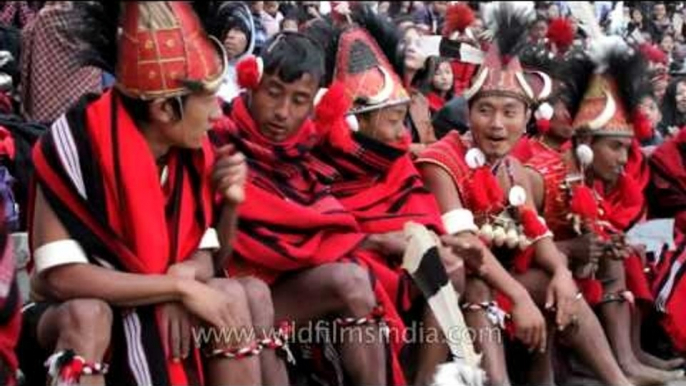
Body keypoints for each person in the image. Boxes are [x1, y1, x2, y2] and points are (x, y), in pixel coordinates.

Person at [17, 3, 277, 385]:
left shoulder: (194, 152)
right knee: (88, 316)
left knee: (234, 298)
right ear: (163, 110)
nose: (218, 115)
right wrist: (174, 288)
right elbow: (61, 278)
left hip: (152, 303)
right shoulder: (73, 146)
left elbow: (208, 255)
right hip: (71, 315)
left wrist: (185, 272)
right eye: (206, 99)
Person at [416, 4, 633, 385]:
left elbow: (538, 232)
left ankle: (617, 380)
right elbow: (466, 245)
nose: (497, 124)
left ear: (526, 119)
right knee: (481, 284)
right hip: (445, 284)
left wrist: (562, 275)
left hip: (489, 277)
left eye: (510, 112)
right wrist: (517, 295)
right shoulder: (442, 159)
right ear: (469, 113)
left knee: (558, 286)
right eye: (485, 110)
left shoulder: (513, 168)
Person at [211, 31, 406, 386]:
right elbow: (218, 257)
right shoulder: (216, 140)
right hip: (231, 296)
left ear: (314, 105)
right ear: (251, 81)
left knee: (355, 280)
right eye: (273, 93)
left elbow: (315, 231)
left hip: (282, 290)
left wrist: (376, 242)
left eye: (299, 100)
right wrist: (231, 206)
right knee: (259, 296)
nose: (283, 112)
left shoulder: (302, 151)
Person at [307, 14, 483, 384]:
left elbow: (420, 211)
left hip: (398, 258)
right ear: (357, 121)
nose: (403, 132)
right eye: (392, 120)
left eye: (403, 118)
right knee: (359, 280)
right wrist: (377, 241)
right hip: (348, 263)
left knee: (447, 264)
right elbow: (316, 232)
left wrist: (433, 238)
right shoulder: (315, 159)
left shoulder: (395, 158)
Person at [526, 37, 685, 383]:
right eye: (615, 147)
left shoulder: (585, 178)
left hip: (568, 271)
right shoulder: (537, 175)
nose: (623, 160)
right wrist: (570, 250)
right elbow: (516, 254)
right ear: (585, 144)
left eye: (627, 150)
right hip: (528, 280)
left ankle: (626, 360)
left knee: (616, 253)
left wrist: (602, 244)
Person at [20, 2, 103, 125]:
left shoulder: (46, 18)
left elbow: (26, 36)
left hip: (48, 101)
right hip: (87, 95)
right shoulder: (95, 14)